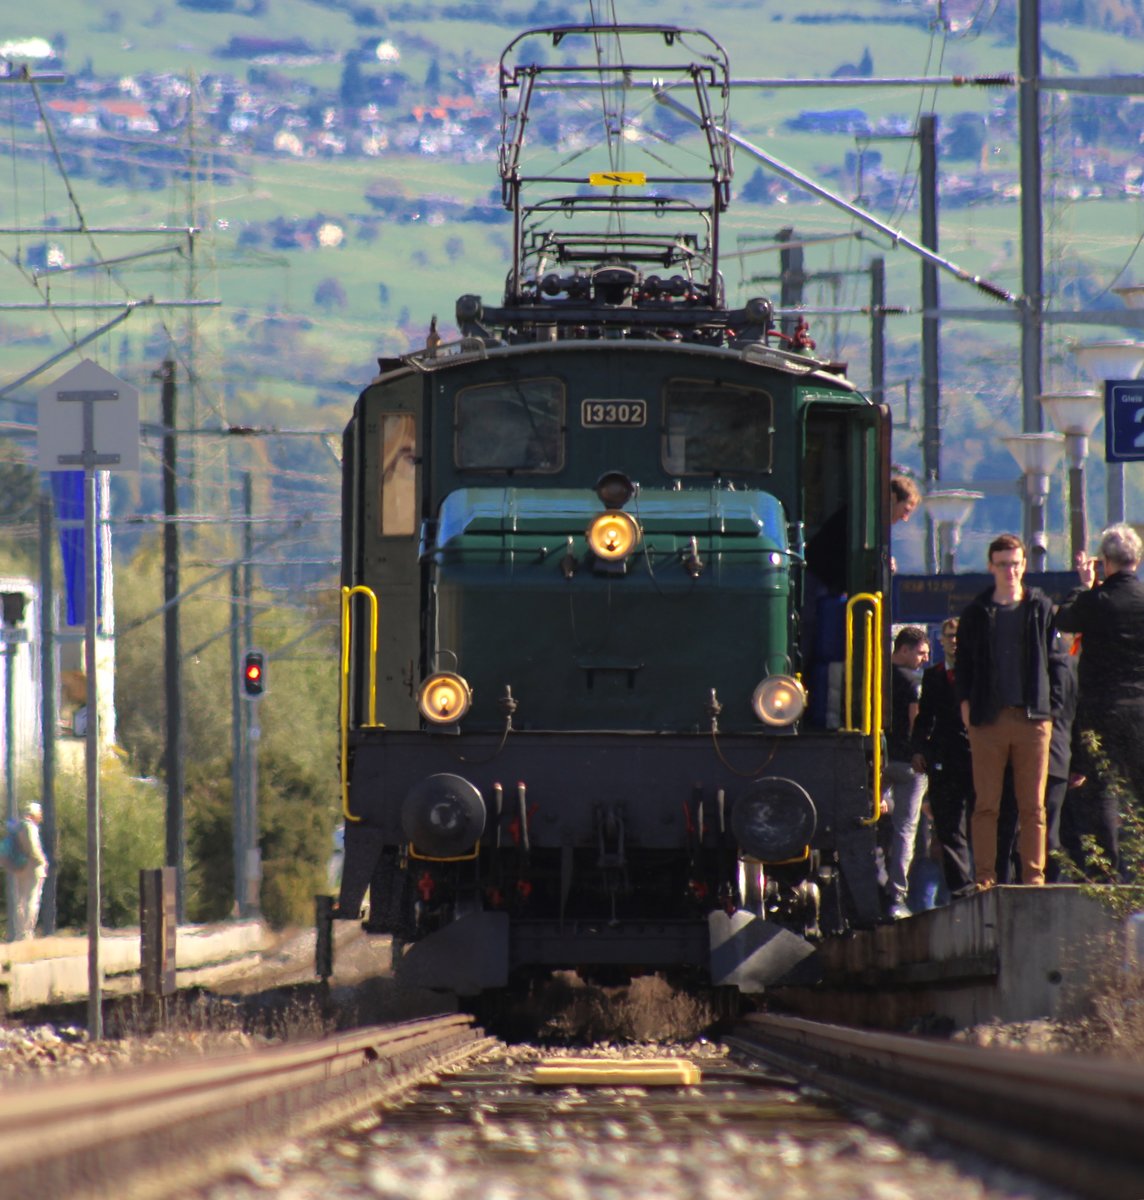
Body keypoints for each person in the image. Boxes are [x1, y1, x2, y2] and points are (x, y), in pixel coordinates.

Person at [955, 533, 1062, 889]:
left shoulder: (1040, 608)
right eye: (1002, 564)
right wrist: (966, 707)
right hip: (988, 718)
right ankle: (985, 877)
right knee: (986, 805)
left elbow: (1057, 661)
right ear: (991, 567)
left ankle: (1034, 877)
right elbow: (964, 664)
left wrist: (1053, 710)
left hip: (1033, 717)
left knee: (1033, 807)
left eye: (1015, 564)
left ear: (1024, 566)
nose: (1010, 571)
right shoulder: (975, 613)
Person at [1053, 523, 1144, 879]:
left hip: (1100, 709)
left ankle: (1106, 872)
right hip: (1140, 707)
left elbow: (1065, 617)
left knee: (1101, 790)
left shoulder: (1096, 600)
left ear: (1105, 562)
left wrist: (1084, 583)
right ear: (1136, 559)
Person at [910, 617, 976, 899]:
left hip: (976, 756)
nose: (954, 641)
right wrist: (918, 749)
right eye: (949, 636)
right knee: (948, 825)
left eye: (959, 636)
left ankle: (986, 878)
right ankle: (960, 886)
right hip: (945, 756)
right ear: (941, 640)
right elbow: (925, 718)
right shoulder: (934, 675)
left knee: (980, 820)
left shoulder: (979, 674)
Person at [882, 625, 930, 918]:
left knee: (866, 821)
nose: (924, 659)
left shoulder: (875, 675)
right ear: (904, 650)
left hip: (875, 760)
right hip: (908, 765)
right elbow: (916, 723)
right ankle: (896, 895)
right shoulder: (912, 683)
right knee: (905, 831)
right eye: (921, 653)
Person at [10, 802, 48, 939]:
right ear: (34, 814)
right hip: (32, 867)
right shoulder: (30, 827)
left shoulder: (18, 827)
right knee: (32, 900)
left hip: (19, 866)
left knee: (21, 900)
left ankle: (20, 931)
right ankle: (26, 933)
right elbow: (33, 848)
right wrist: (42, 861)